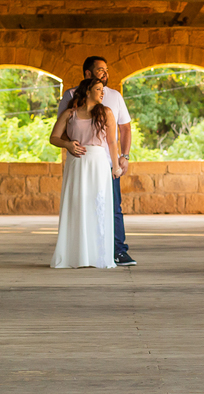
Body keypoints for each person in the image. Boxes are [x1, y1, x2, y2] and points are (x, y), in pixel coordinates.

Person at [59, 56, 136, 267]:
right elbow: (63, 128)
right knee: (81, 206)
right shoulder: (70, 96)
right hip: (81, 163)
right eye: (100, 70)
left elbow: (124, 129)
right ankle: (82, 251)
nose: (105, 73)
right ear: (87, 74)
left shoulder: (114, 96)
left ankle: (118, 251)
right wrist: (71, 145)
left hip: (106, 162)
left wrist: (124, 156)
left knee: (112, 206)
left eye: (107, 69)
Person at [49, 77, 122, 269]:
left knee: (97, 206)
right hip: (77, 163)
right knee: (77, 206)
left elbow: (112, 142)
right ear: (87, 91)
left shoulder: (106, 112)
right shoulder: (69, 114)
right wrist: (67, 144)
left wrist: (116, 166)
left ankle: (98, 256)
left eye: (102, 89)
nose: (102, 92)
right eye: (98, 89)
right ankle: (76, 256)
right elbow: (54, 138)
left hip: (98, 163)